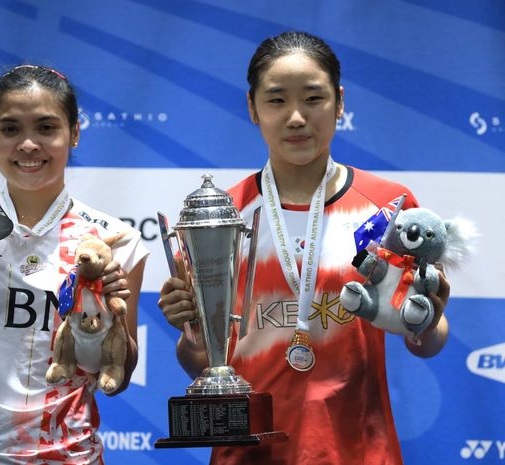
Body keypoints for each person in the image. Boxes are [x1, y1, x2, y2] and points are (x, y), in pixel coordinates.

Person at [158, 31, 450, 465]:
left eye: (313, 98)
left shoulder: (389, 208)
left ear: (340, 102)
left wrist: (429, 321)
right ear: (252, 108)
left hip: (359, 450)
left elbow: (426, 342)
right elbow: (201, 364)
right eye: (276, 100)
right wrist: (193, 333)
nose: (296, 117)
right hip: (249, 453)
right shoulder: (221, 220)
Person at [0, 65, 149, 465]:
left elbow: (115, 379)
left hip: (70, 456)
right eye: (10, 129)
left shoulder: (113, 241)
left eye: (46, 128)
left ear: (74, 133)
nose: (28, 144)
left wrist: (106, 318)